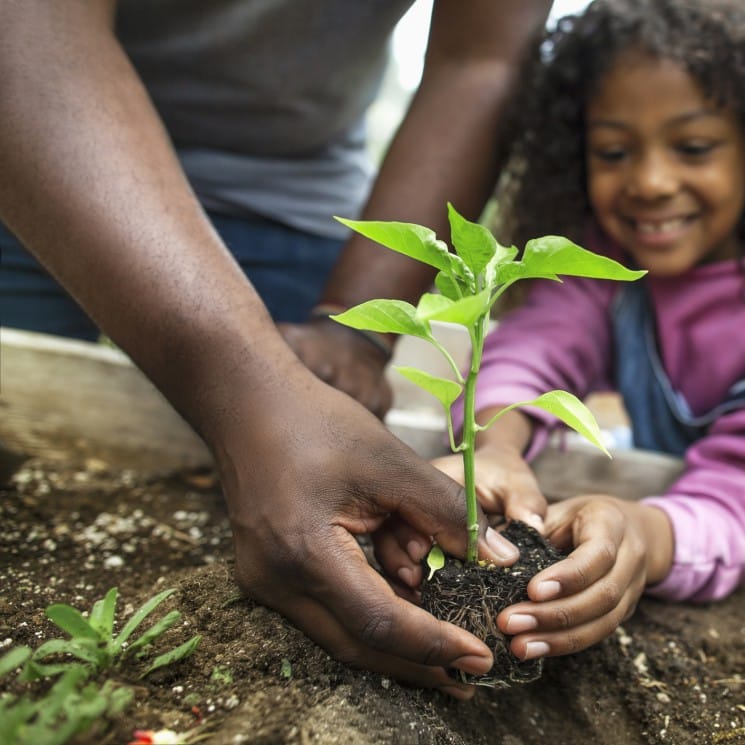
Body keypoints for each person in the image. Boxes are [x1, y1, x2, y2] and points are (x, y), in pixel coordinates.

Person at [0, 1, 554, 697]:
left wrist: (351, 330)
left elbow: (480, 60)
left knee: (325, 465)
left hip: (290, 195)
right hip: (40, 140)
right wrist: (249, 390)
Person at [379, 0, 745, 664]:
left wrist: (643, 531)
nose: (651, 182)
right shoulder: (606, 266)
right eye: (612, 150)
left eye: (692, 147)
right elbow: (531, 350)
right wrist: (493, 448)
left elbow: (735, 496)